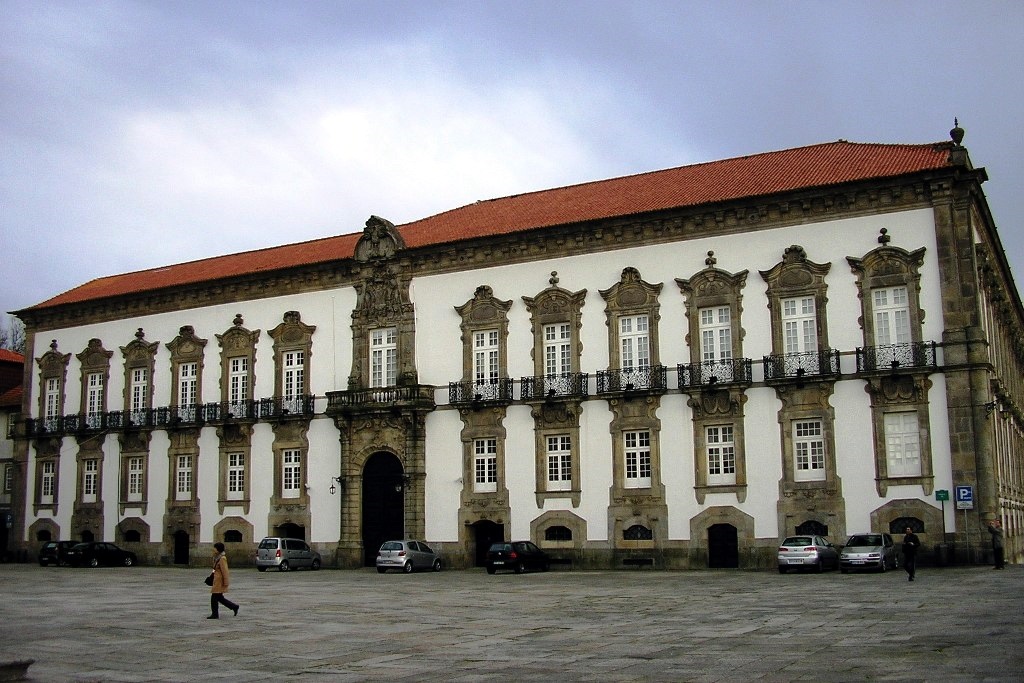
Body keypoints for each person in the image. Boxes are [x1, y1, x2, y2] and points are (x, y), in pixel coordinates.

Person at [208, 542, 240, 619]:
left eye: (215, 548)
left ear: (218, 549)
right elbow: (215, 568)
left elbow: (225, 571)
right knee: (219, 598)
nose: (213, 549)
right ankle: (234, 606)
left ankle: (215, 614)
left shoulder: (222, 558)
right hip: (216, 580)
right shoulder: (217, 557)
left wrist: (226, 582)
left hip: (220, 581)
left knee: (214, 598)